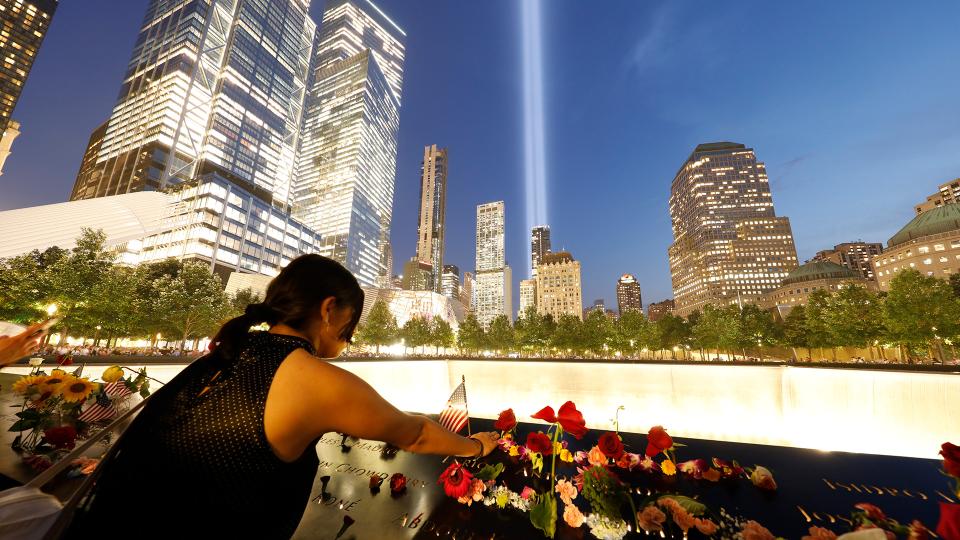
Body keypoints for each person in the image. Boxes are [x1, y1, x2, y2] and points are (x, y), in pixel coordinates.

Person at [68, 255, 499, 538]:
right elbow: (417, 436)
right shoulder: (315, 379)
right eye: (350, 325)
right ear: (329, 310)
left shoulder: (227, 355)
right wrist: (476, 445)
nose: (349, 338)